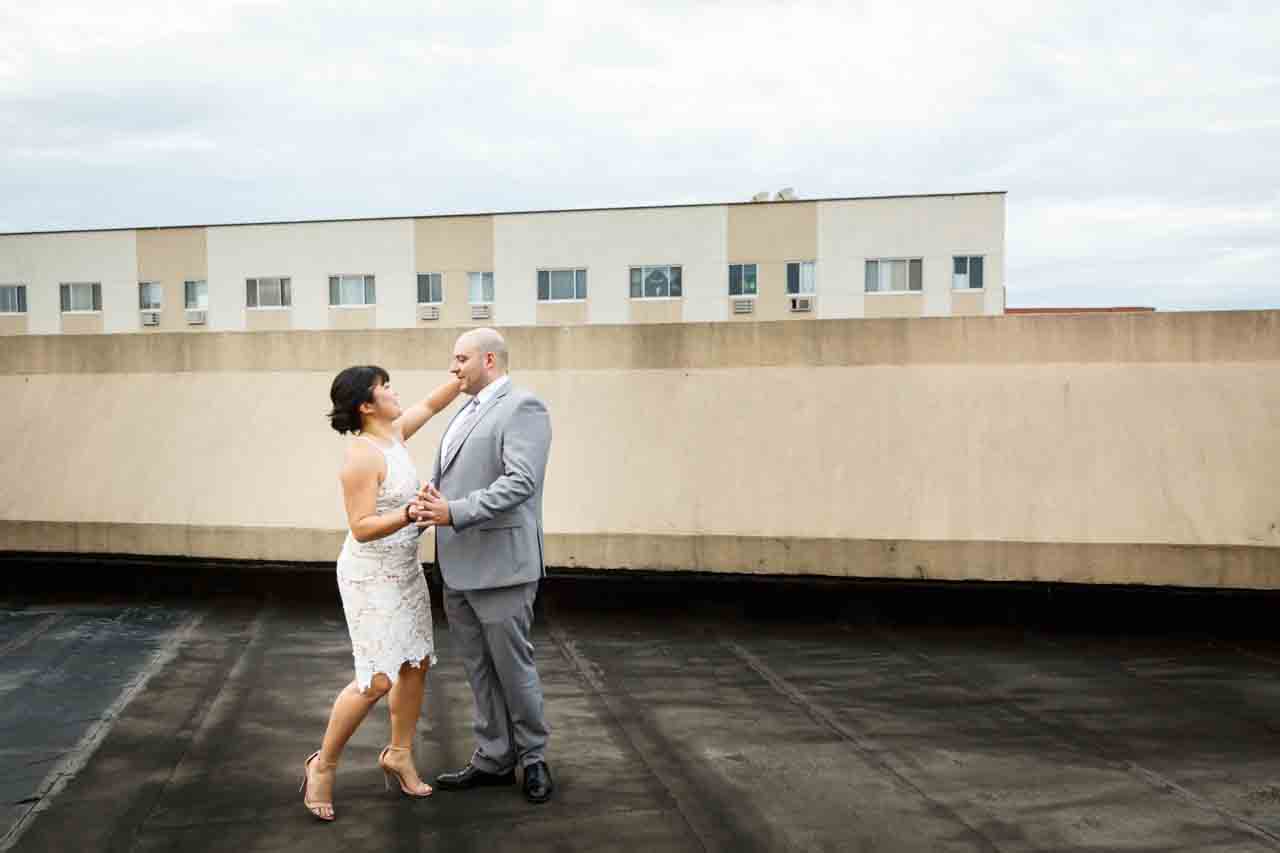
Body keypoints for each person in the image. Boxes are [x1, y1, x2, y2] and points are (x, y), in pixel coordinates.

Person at [300, 365, 460, 822]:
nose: (394, 392)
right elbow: (362, 527)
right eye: (384, 387)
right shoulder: (362, 457)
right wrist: (411, 512)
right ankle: (322, 765)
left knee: (415, 664)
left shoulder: (396, 435)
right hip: (368, 576)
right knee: (377, 680)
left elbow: (429, 405)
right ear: (366, 406)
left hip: (404, 570)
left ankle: (400, 754)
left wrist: (462, 379)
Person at [412, 328, 555, 804]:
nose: (453, 368)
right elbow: (452, 479)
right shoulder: (464, 412)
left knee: (513, 669)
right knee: (478, 670)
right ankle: (495, 758)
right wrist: (428, 505)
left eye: (460, 358)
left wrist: (454, 511)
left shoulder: (523, 407)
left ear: (488, 360)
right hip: (457, 567)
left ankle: (534, 758)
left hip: (502, 568)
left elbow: (521, 483)